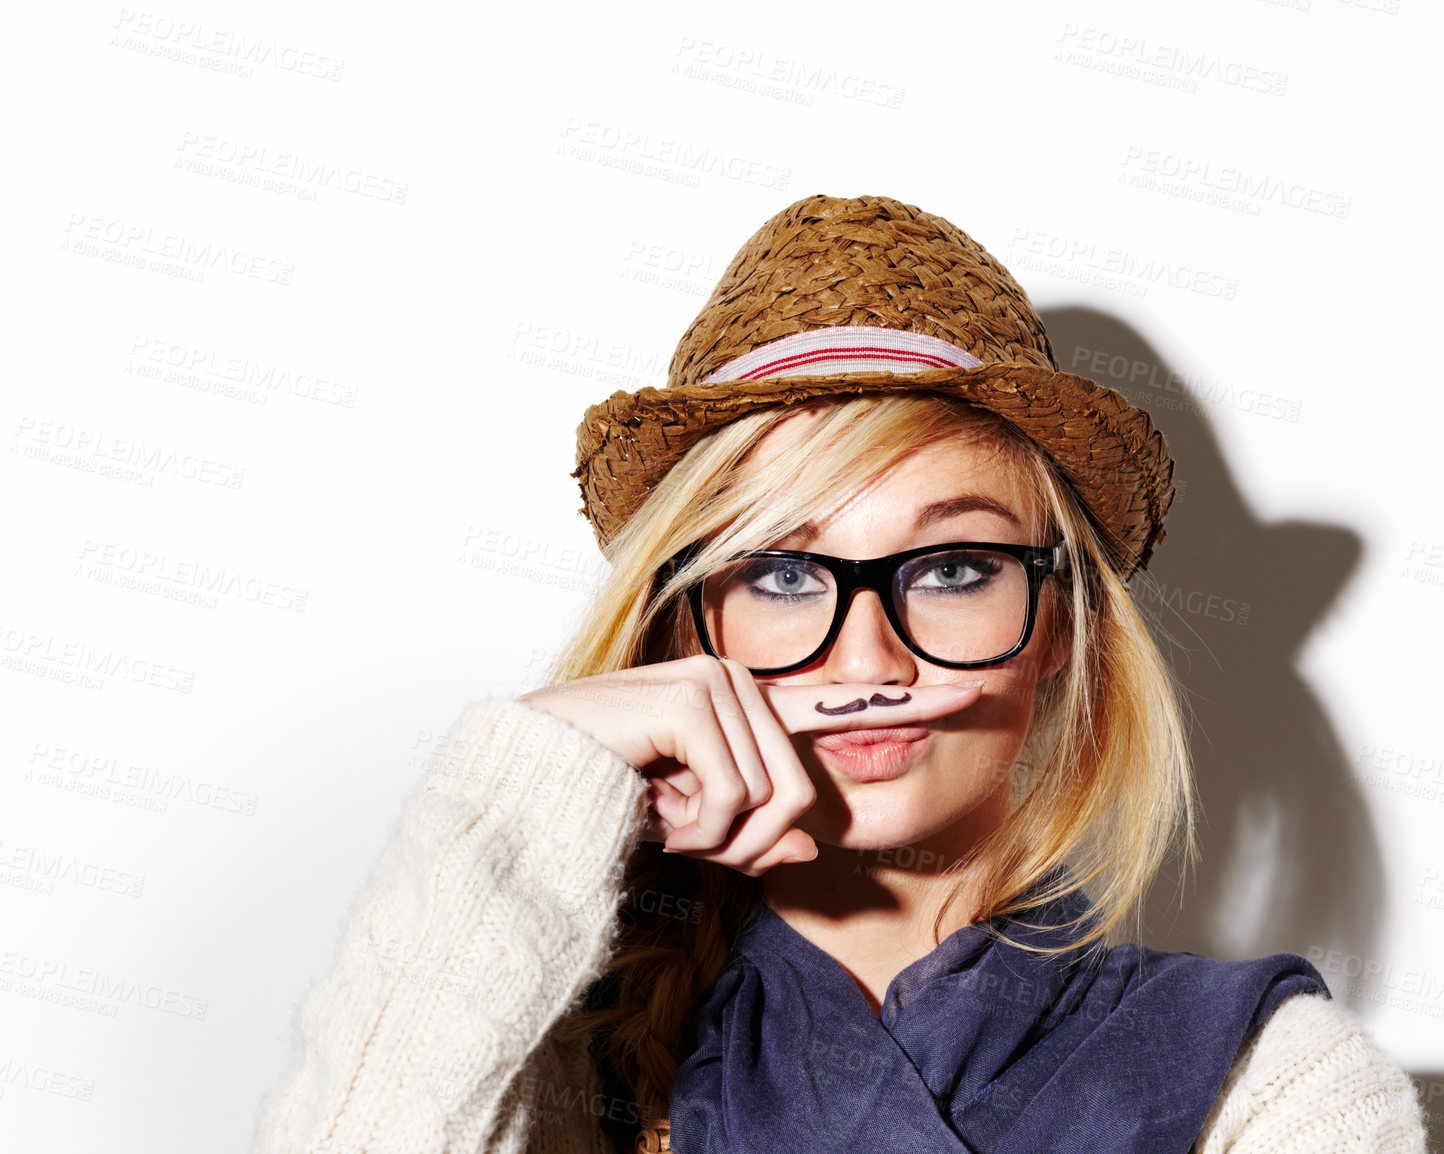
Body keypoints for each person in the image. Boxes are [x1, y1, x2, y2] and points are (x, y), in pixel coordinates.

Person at [248, 194, 1427, 1153]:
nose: (869, 657)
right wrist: (528, 779)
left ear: (1058, 622)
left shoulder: (1271, 1082)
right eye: (781, 574)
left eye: (954, 567)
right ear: (687, 634)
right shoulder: (535, 1058)